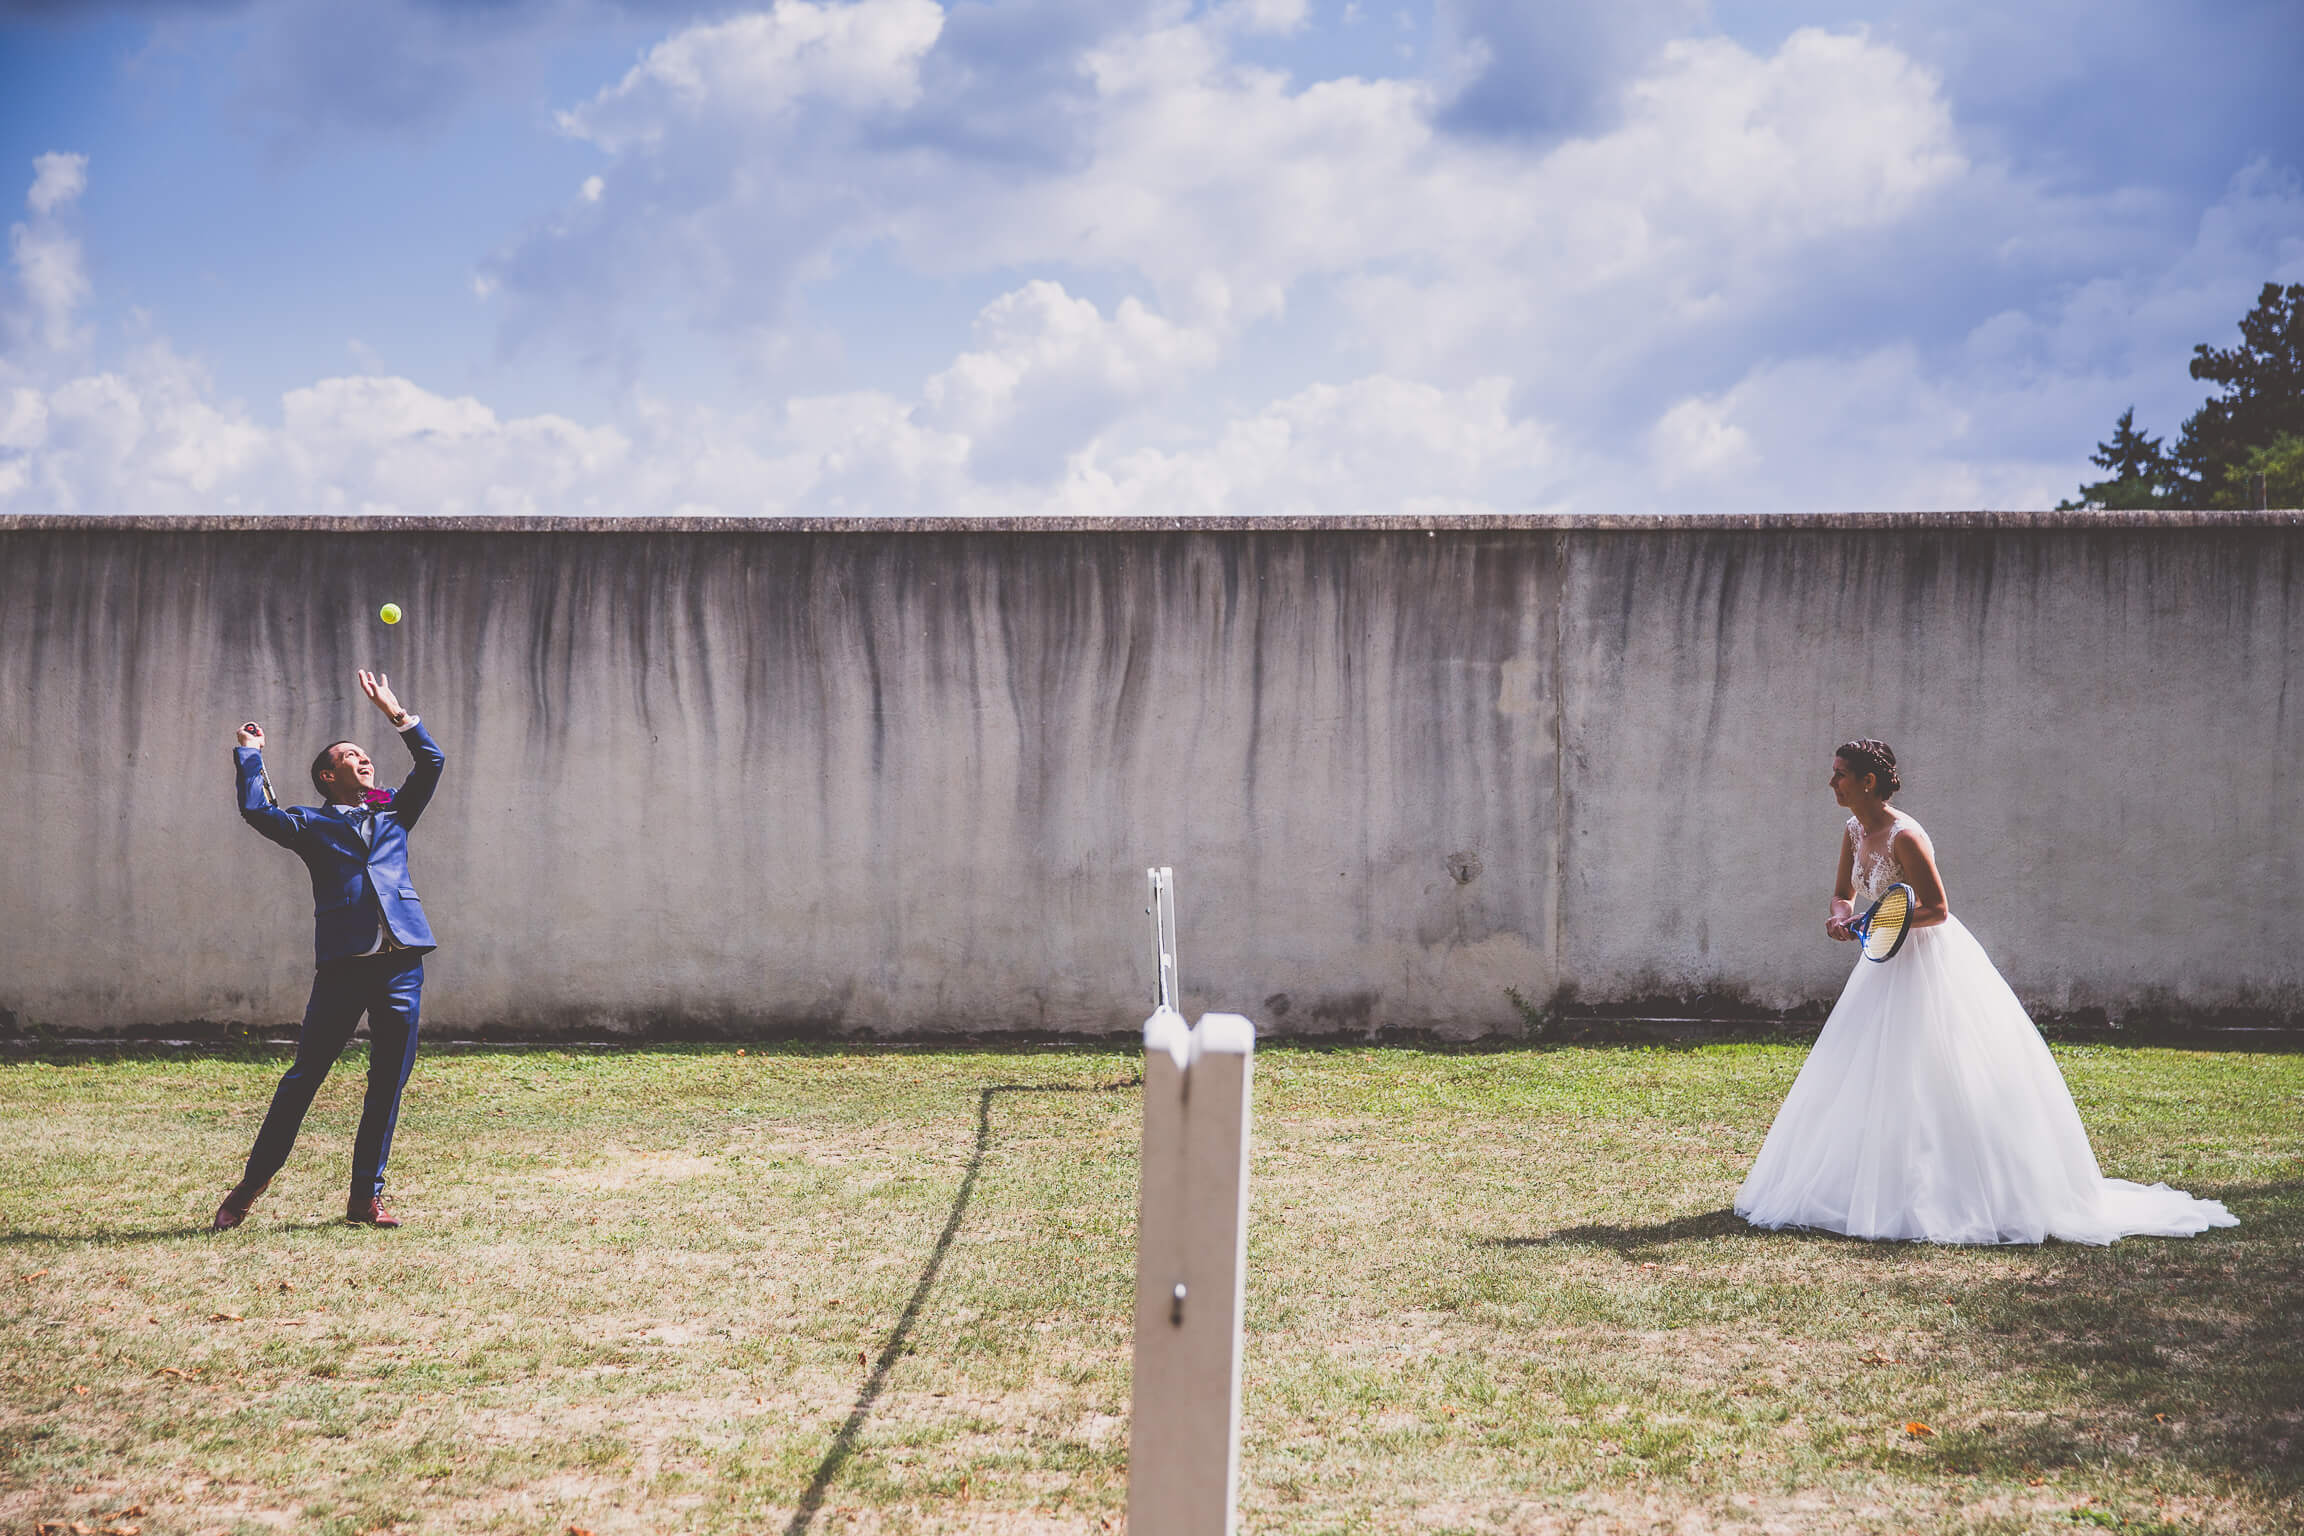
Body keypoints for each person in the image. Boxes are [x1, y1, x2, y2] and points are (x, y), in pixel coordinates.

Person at [1734, 738, 2236, 1245]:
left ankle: (1955, 1190)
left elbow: (1937, 908)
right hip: (1882, 959)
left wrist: (1879, 918)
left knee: (1936, 1069)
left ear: (1867, 781)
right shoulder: (1851, 829)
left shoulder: (1904, 836)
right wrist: (1843, 917)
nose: (1831, 781)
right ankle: (1864, 1183)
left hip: (1926, 958)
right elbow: (1842, 892)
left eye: (1840, 774)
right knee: (1869, 1067)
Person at [212, 669, 445, 1232]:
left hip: (401, 965)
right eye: (350, 755)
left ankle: (366, 1198)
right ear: (327, 774)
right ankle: (248, 1189)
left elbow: (431, 764)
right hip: (344, 967)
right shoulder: (311, 824)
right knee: (304, 1076)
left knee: (388, 1081)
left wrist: (397, 714)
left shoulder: (394, 814)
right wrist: (250, 755)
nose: (363, 758)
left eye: (366, 753)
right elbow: (258, 812)